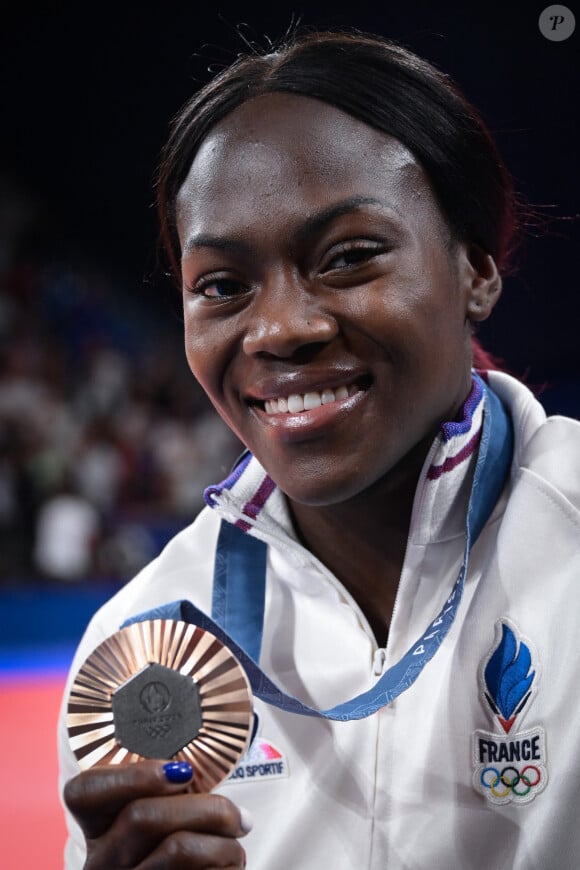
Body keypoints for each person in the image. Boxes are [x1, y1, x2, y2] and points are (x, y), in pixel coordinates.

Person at [58, 29, 580, 869]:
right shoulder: (139, 647)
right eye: (222, 286)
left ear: (476, 269)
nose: (279, 330)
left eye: (349, 258)